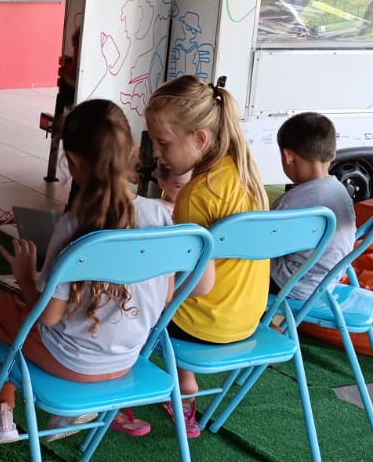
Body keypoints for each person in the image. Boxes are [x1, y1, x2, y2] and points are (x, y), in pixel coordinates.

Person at [0, 100, 178, 444]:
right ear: (130, 152)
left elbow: (49, 317)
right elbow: (167, 295)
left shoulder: (73, 227)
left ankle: (1, 416)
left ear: (74, 161)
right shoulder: (159, 216)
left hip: (72, 363)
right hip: (128, 359)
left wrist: (25, 276)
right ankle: (66, 413)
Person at [144, 74, 269, 438]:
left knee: (128, 290)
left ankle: (117, 389)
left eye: (163, 142)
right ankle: (184, 390)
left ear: (199, 138)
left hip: (201, 329)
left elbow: (197, 286)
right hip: (248, 321)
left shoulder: (197, 194)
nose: (156, 153)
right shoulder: (245, 174)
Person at [270, 112, 355, 304]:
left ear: (288, 156)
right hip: (328, 281)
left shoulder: (290, 202)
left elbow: (264, 247)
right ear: (332, 153)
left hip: (290, 286)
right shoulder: (340, 192)